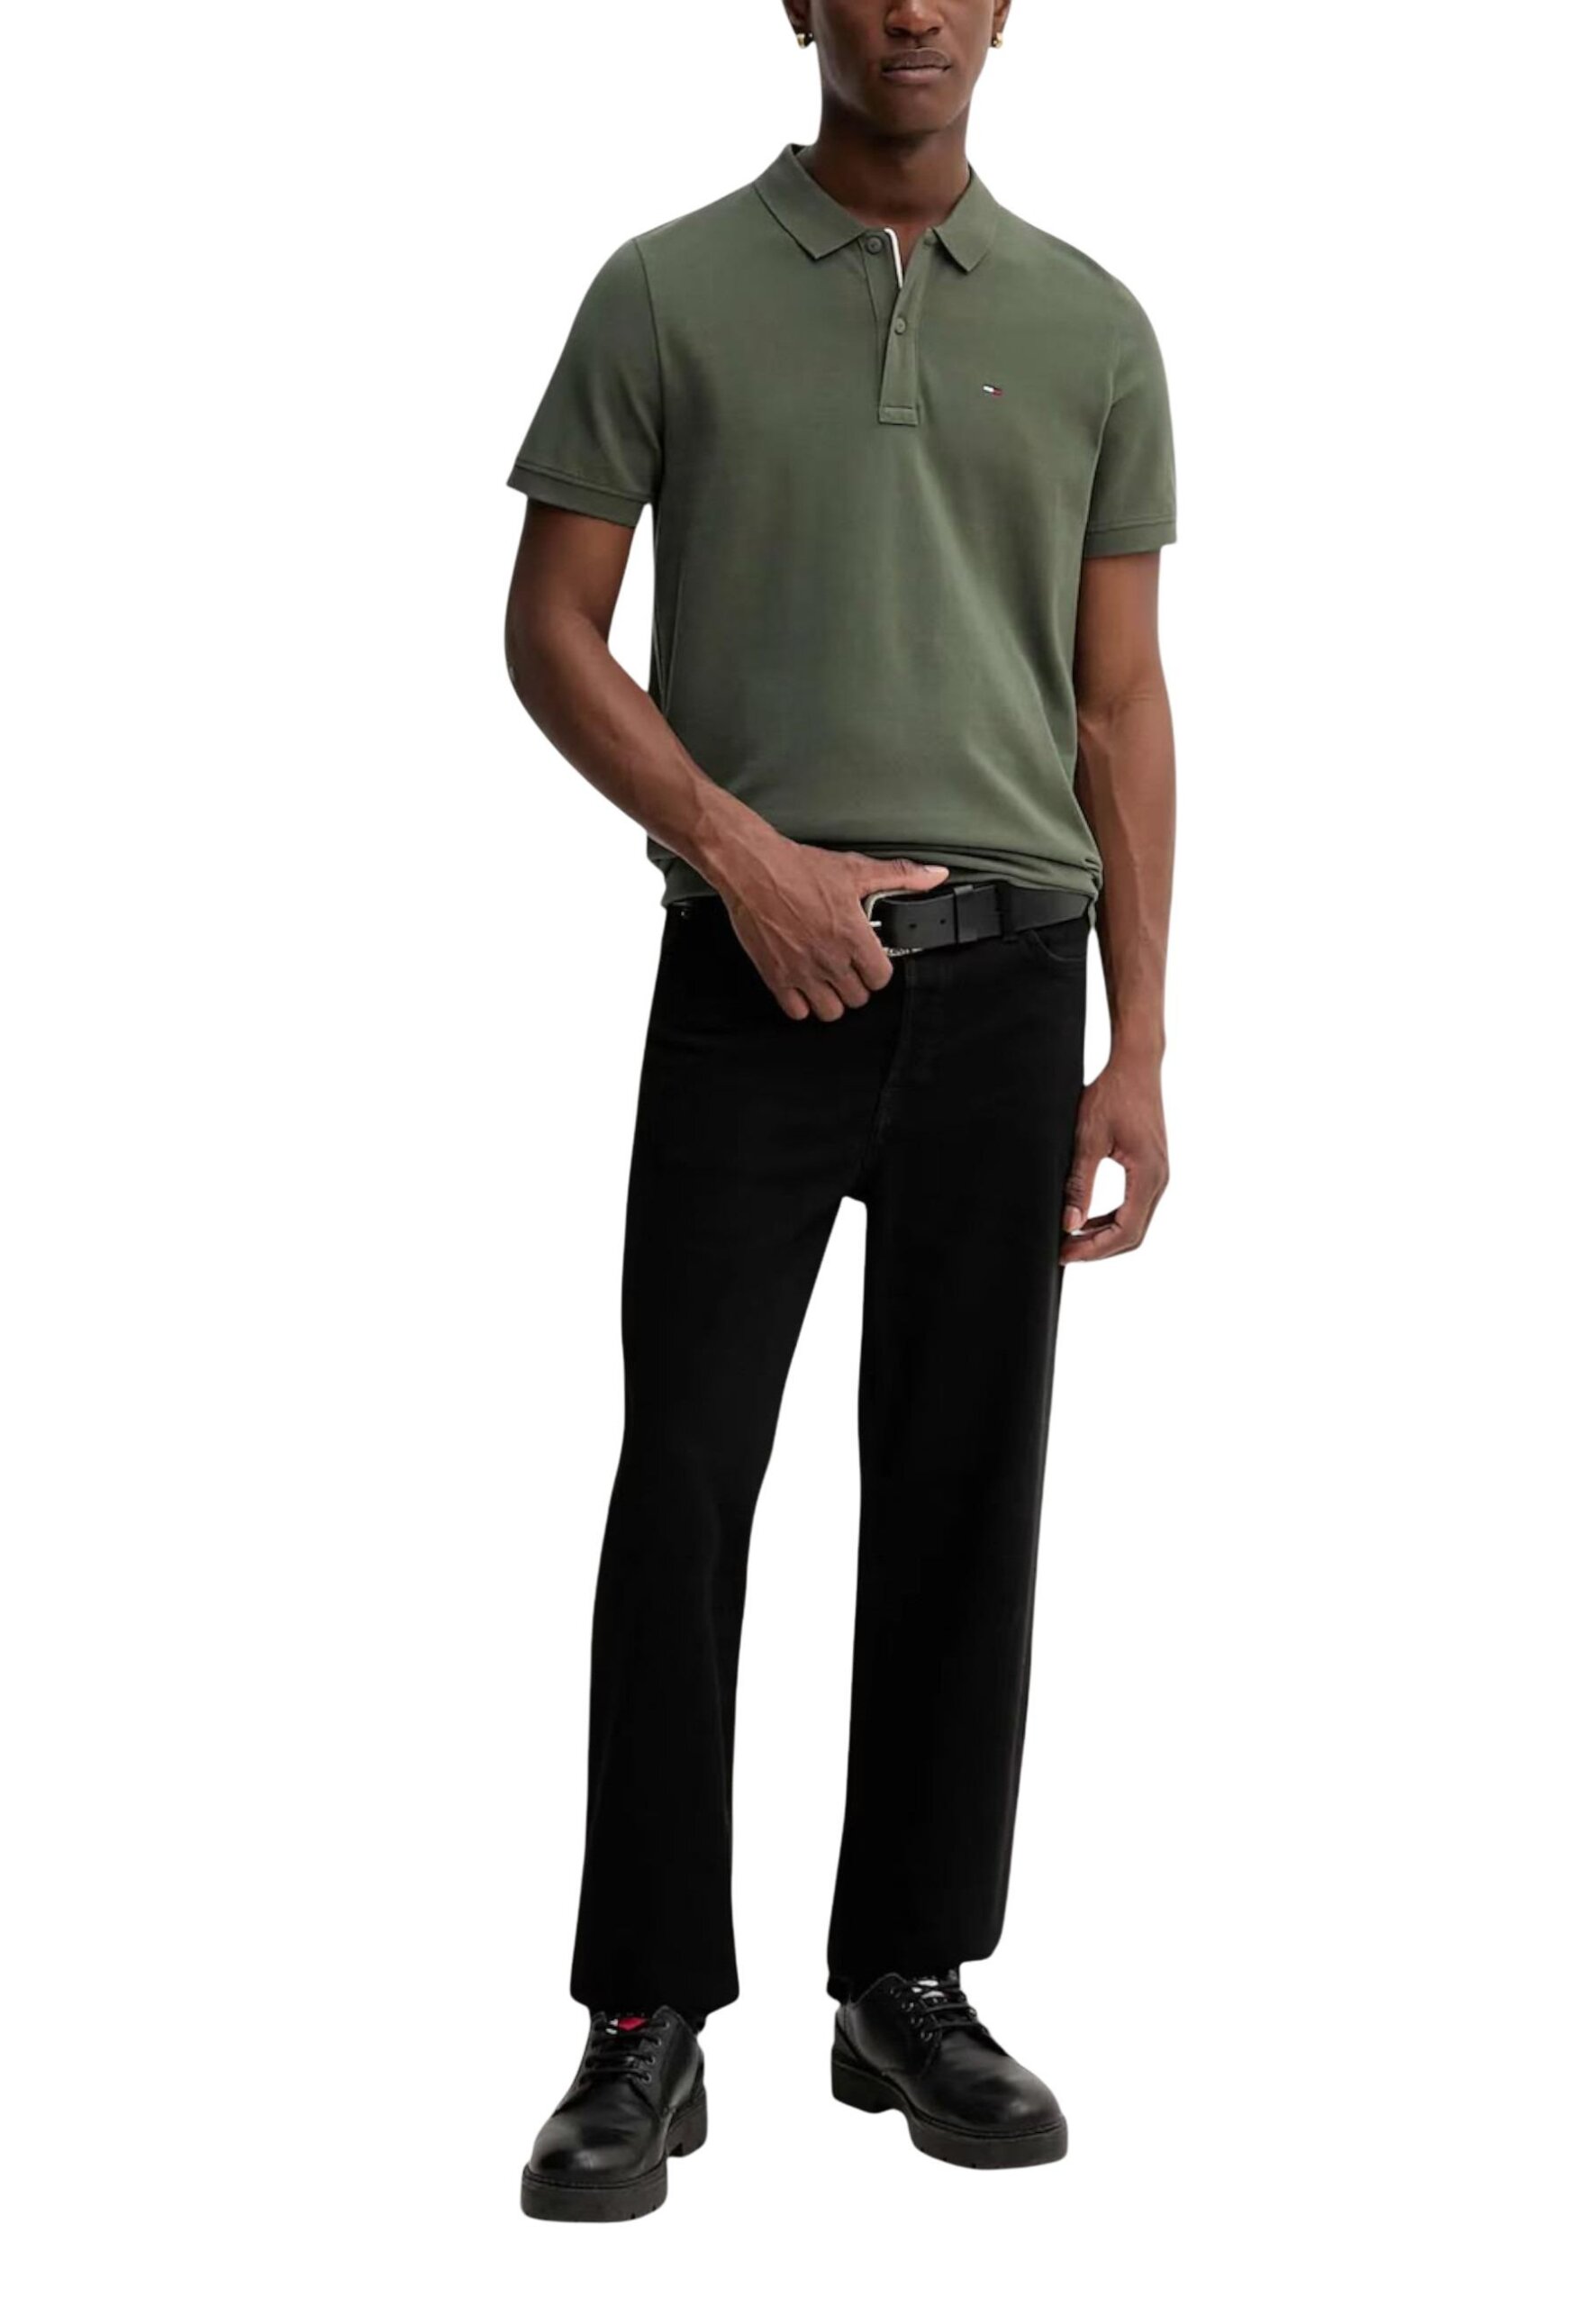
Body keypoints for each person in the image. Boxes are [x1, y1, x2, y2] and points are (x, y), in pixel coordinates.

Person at [504, 0, 1175, 2222]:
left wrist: (1138, 1042)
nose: (914, 10)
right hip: (753, 967)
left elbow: (1116, 701)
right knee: (686, 1477)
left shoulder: (1091, 326)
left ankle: (907, 1975)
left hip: (1013, 980)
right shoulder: (663, 290)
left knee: (966, 1486)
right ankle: (640, 2012)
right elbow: (552, 627)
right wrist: (737, 853)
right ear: (798, 1)